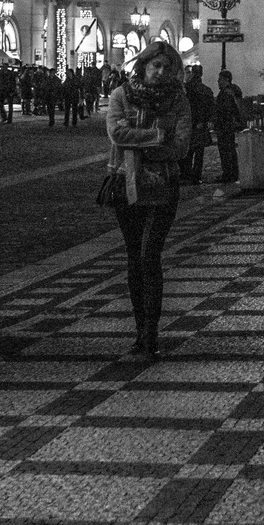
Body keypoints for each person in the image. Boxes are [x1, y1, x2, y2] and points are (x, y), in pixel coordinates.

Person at [106, 41, 191, 359]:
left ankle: (150, 334)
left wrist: (136, 139)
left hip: (163, 186)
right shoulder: (121, 96)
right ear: (142, 65)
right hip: (125, 185)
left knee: (148, 257)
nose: (161, 71)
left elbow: (181, 147)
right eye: (156, 65)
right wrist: (157, 136)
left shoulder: (179, 101)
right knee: (133, 259)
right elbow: (116, 133)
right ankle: (140, 330)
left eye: (168, 67)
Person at [213, 69, 247, 184]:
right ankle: (233, 172)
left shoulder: (226, 93)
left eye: (220, 79)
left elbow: (225, 110)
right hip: (230, 125)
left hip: (225, 125)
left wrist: (219, 121)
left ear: (226, 79)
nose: (218, 82)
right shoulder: (234, 90)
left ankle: (228, 174)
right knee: (231, 149)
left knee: (225, 150)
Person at [184, 65, 215, 184]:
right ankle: (196, 176)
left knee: (188, 151)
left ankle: (187, 174)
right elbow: (210, 108)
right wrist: (205, 120)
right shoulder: (205, 90)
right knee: (199, 153)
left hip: (189, 123)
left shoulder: (187, 88)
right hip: (201, 124)